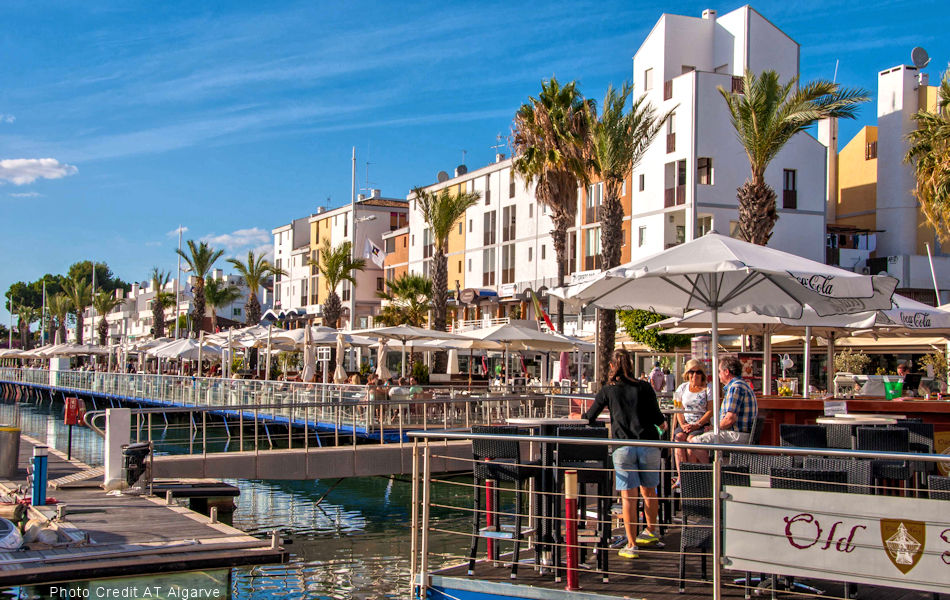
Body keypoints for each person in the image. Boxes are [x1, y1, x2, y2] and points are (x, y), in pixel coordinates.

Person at [583, 349, 667, 560]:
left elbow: (590, 417)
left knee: (628, 498)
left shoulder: (608, 390)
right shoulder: (645, 387)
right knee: (650, 492)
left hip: (623, 446)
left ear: (612, 366)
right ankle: (650, 532)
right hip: (648, 444)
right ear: (631, 365)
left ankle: (631, 544)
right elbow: (659, 418)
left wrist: (579, 416)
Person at [687, 355, 758, 463]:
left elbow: (730, 419)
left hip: (737, 435)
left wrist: (713, 428)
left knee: (694, 442)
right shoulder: (742, 385)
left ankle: (712, 472)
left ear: (726, 372)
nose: (718, 374)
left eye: (719, 371)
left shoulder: (735, 387)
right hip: (741, 434)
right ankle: (718, 470)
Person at [671, 359, 713, 486]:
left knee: (691, 444)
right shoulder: (682, 388)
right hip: (686, 423)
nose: (695, 375)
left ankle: (693, 478)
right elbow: (678, 408)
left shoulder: (708, 388)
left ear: (702, 374)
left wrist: (698, 424)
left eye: (698, 372)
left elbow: (710, 410)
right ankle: (681, 476)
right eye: (692, 372)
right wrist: (682, 424)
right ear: (687, 374)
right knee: (678, 439)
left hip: (701, 423)